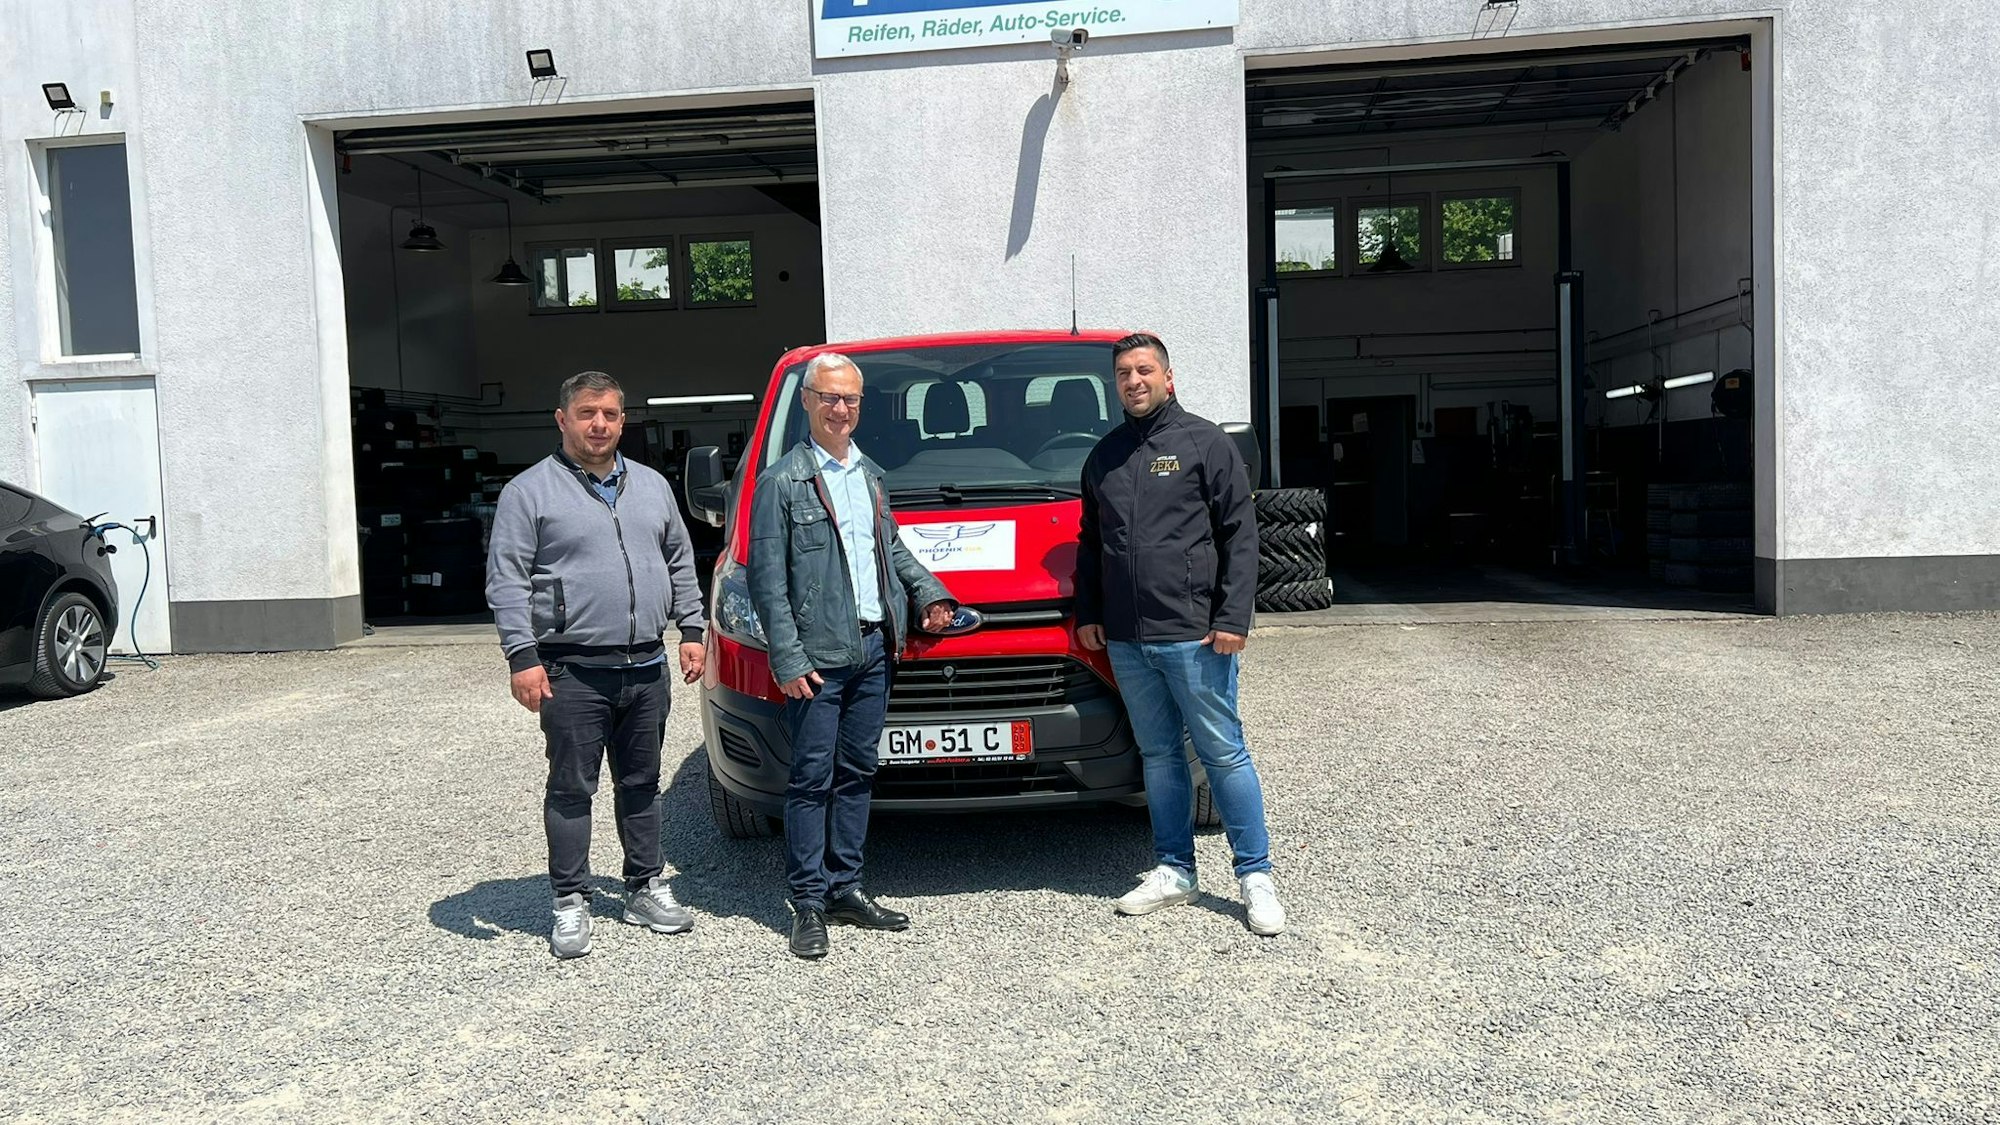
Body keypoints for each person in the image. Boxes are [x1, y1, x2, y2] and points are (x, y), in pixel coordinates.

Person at [486, 370, 708, 960]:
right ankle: (569, 900)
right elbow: (506, 581)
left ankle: (643, 887)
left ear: (622, 419)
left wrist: (691, 628)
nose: (599, 424)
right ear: (562, 420)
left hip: (644, 667)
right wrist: (522, 656)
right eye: (586, 413)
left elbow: (680, 560)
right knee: (571, 789)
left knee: (641, 783)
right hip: (571, 670)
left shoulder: (653, 486)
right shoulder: (528, 493)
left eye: (610, 413)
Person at [746, 352, 956, 959]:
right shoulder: (782, 482)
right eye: (831, 398)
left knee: (858, 774)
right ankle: (808, 901)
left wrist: (931, 594)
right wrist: (786, 659)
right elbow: (768, 581)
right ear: (808, 402)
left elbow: (892, 550)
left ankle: (846, 887)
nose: (842, 410)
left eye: (852, 400)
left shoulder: (870, 475)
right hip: (817, 659)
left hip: (872, 650)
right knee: (811, 779)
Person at [1075, 333, 1286, 936]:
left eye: (1144, 370)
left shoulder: (1205, 442)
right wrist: (1091, 610)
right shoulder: (1105, 456)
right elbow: (1092, 543)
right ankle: (1175, 869)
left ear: (1168, 378)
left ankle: (1256, 876)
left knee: (1222, 752)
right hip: (1126, 636)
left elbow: (1240, 535)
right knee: (1160, 755)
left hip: (1194, 634)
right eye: (1123, 373)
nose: (1133, 381)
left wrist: (1231, 618)